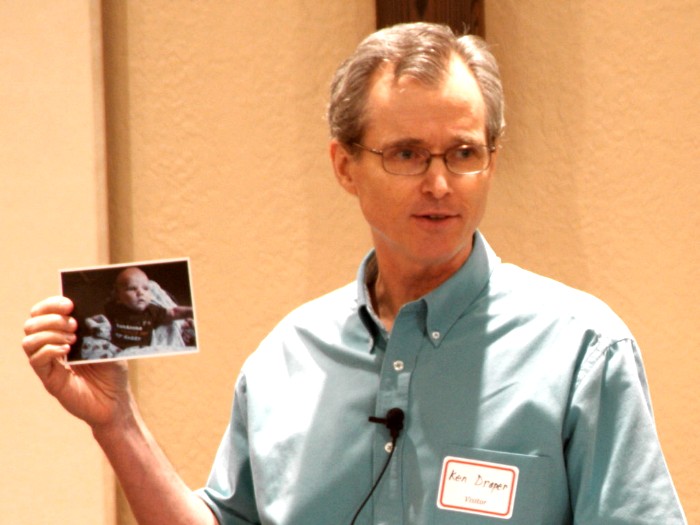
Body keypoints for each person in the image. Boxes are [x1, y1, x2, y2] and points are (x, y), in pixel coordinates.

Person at [21, 22, 686, 524]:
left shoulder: (581, 350)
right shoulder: (287, 359)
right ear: (345, 166)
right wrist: (117, 423)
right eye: (406, 153)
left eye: (464, 153)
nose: (440, 183)